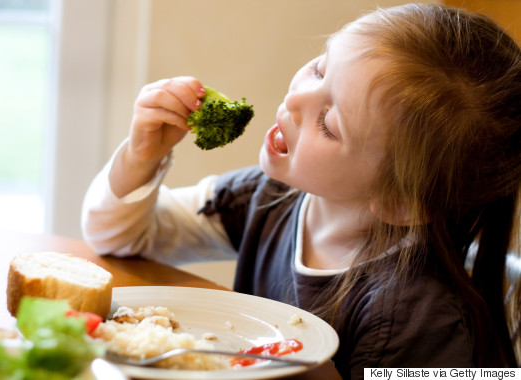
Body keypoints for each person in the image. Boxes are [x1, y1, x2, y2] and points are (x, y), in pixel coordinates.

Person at [82, 3, 521, 376]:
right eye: (318, 69)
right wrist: (141, 158)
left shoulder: (415, 320)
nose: (293, 101)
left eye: (329, 124)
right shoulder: (269, 197)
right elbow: (121, 238)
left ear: (398, 202)